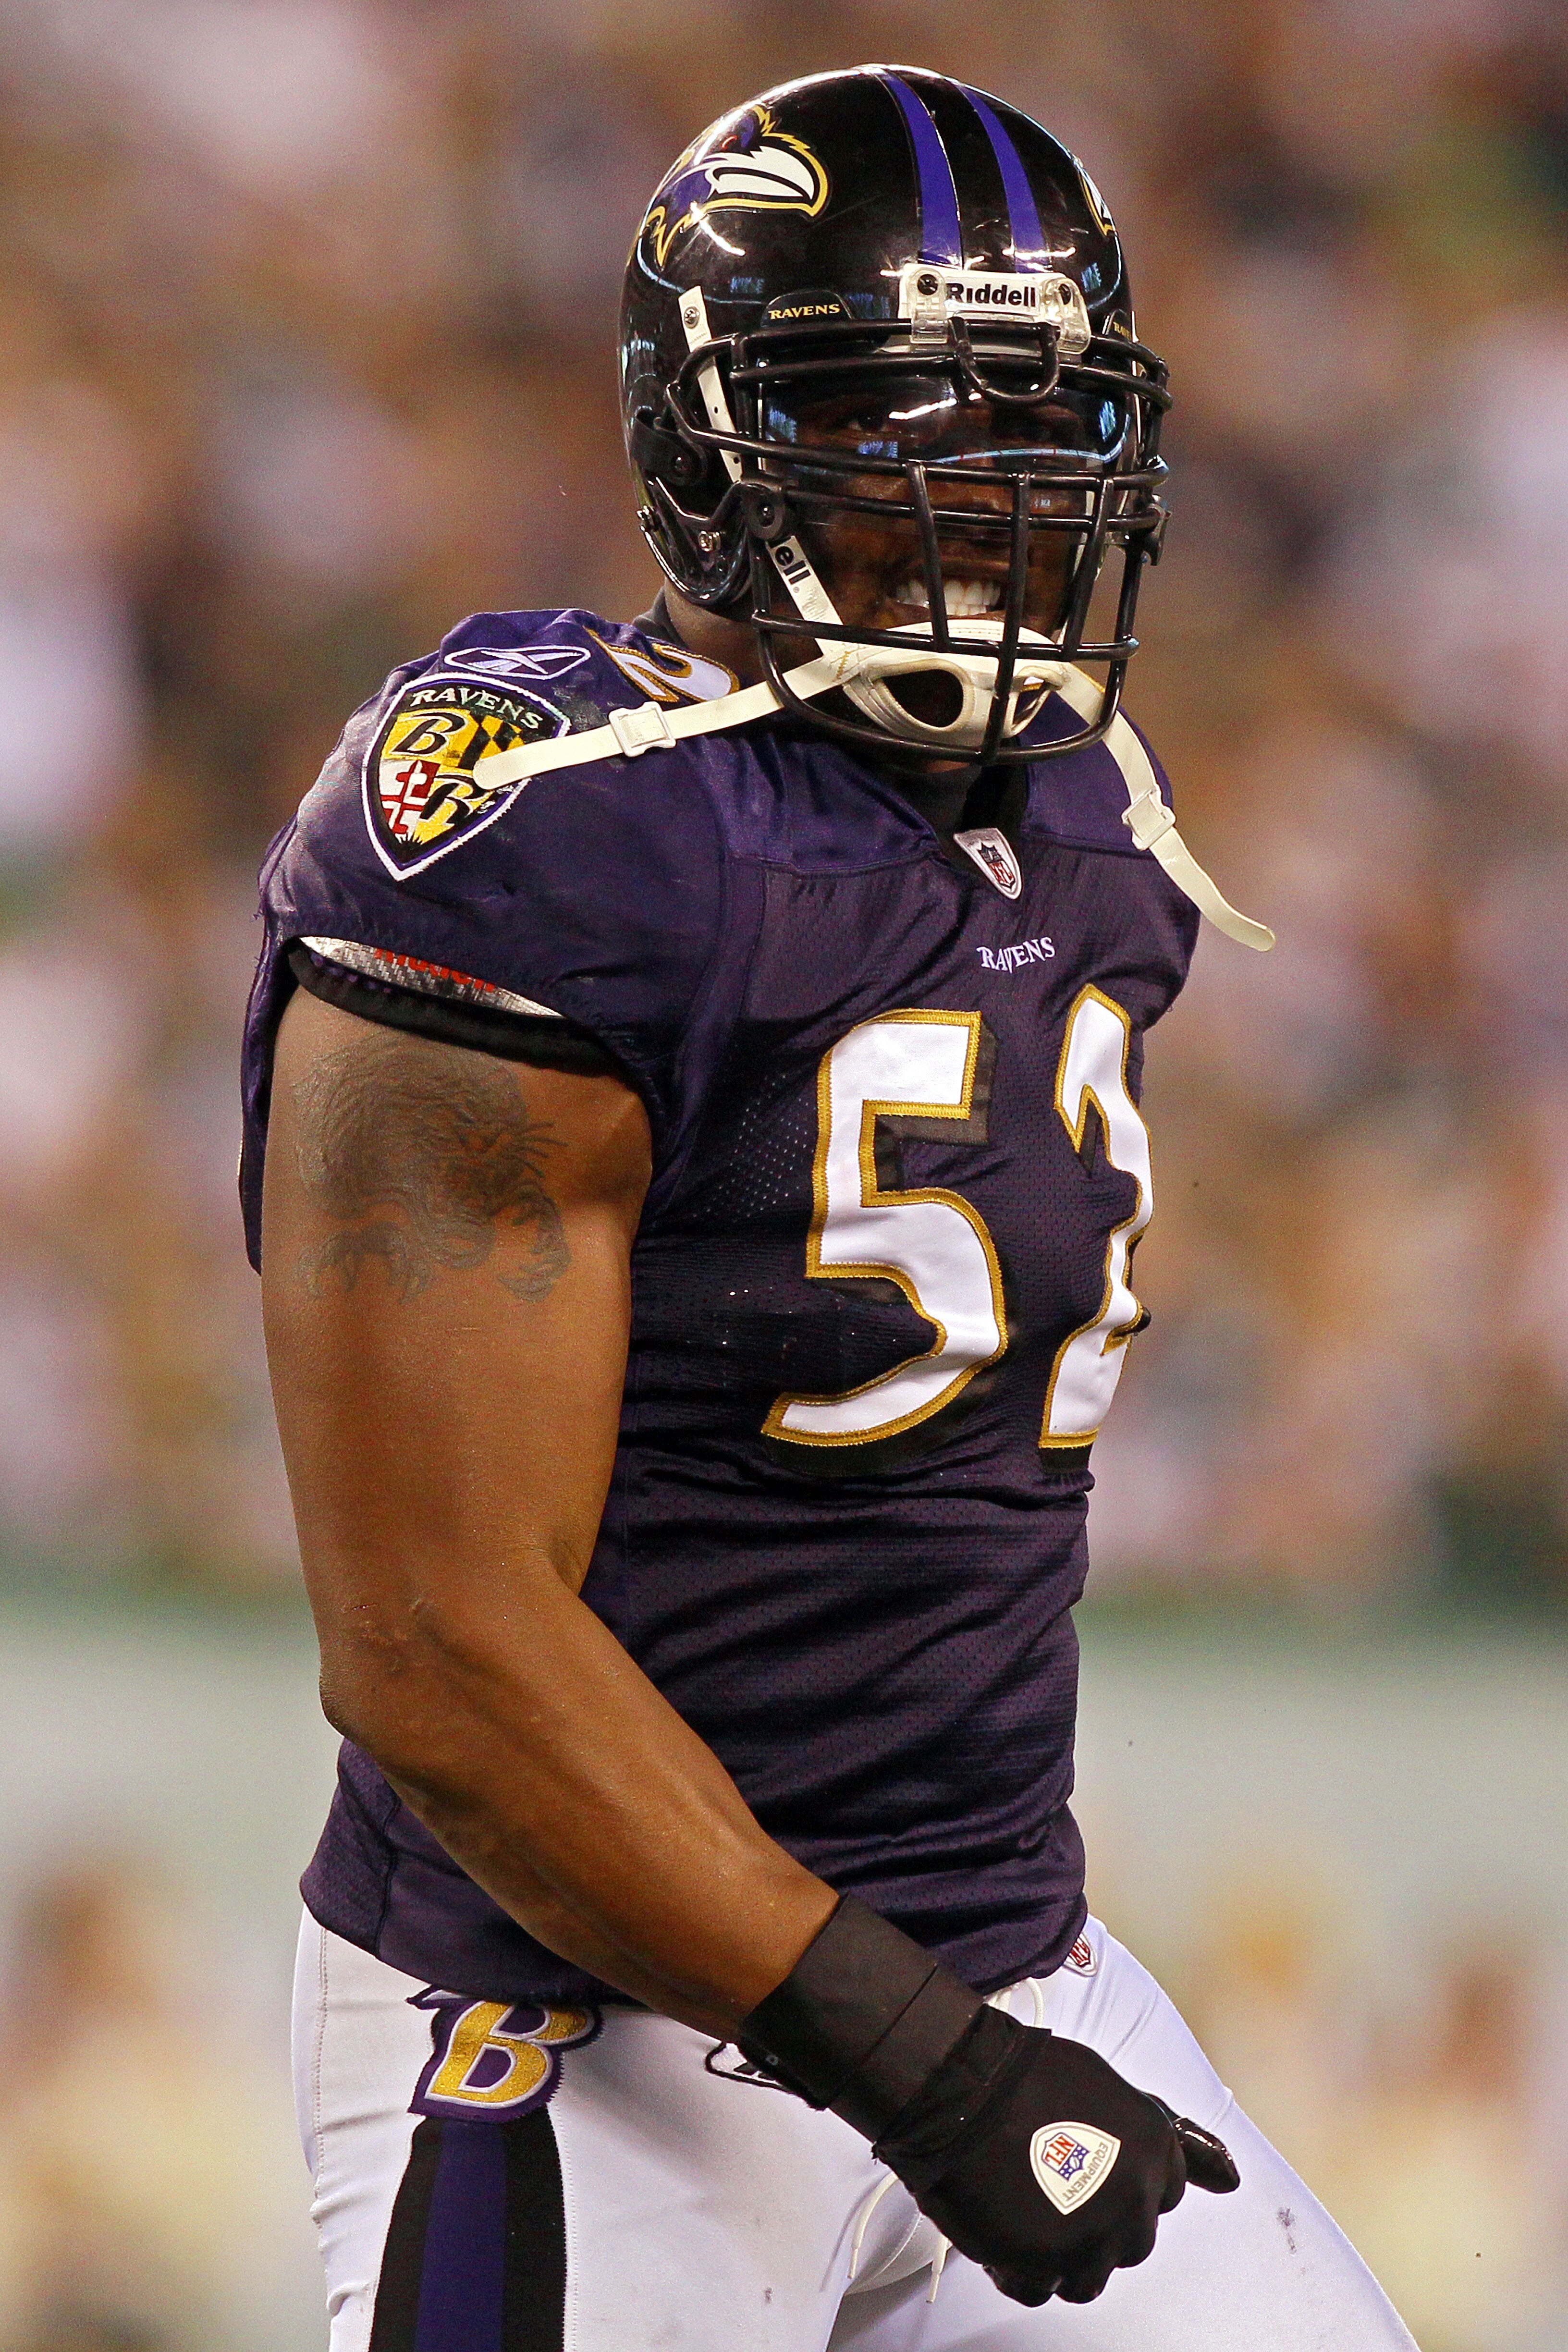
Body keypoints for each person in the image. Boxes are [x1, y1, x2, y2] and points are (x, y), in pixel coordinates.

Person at [245, 64, 1418, 2352]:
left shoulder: (1088, 816)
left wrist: (972, 2023)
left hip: (1006, 1965)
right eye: (901, 420)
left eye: (1040, 420)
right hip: (586, 2032)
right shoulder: (540, 827)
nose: (987, 493)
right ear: (715, 439)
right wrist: (914, 2056)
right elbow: (435, 1650)